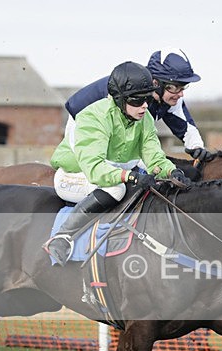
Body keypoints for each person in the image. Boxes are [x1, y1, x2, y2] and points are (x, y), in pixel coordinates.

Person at [44, 61, 189, 266]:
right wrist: (129, 176)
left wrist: (171, 171)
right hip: (75, 175)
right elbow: (94, 168)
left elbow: (154, 157)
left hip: (109, 172)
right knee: (117, 189)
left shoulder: (144, 118)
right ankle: (62, 237)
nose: (145, 106)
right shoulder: (94, 116)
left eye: (147, 98)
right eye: (138, 101)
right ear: (120, 99)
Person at [64, 48, 210, 162]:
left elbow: (186, 126)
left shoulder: (169, 96)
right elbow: (126, 144)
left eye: (183, 87)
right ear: (156, 83)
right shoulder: (129, 96)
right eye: (175, 87)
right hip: (83, 124)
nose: (180, 94)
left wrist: (196, 147)